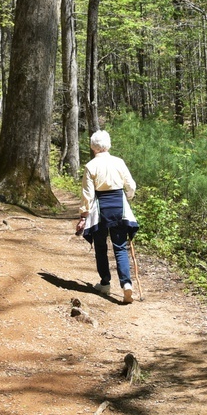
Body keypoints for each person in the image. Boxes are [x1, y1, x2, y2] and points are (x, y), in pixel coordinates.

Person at [76, 130, 139, 303]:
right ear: (108, 144)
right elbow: (131, 185)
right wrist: (129, 196)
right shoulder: (119, 162)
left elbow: (87, 194)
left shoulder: (91, 166)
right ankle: (126, 284)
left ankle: (105, 283)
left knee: (101, 248)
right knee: (120, 247)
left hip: (100, 209)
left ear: (93, 147)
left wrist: (83, 216)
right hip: (120, 207)